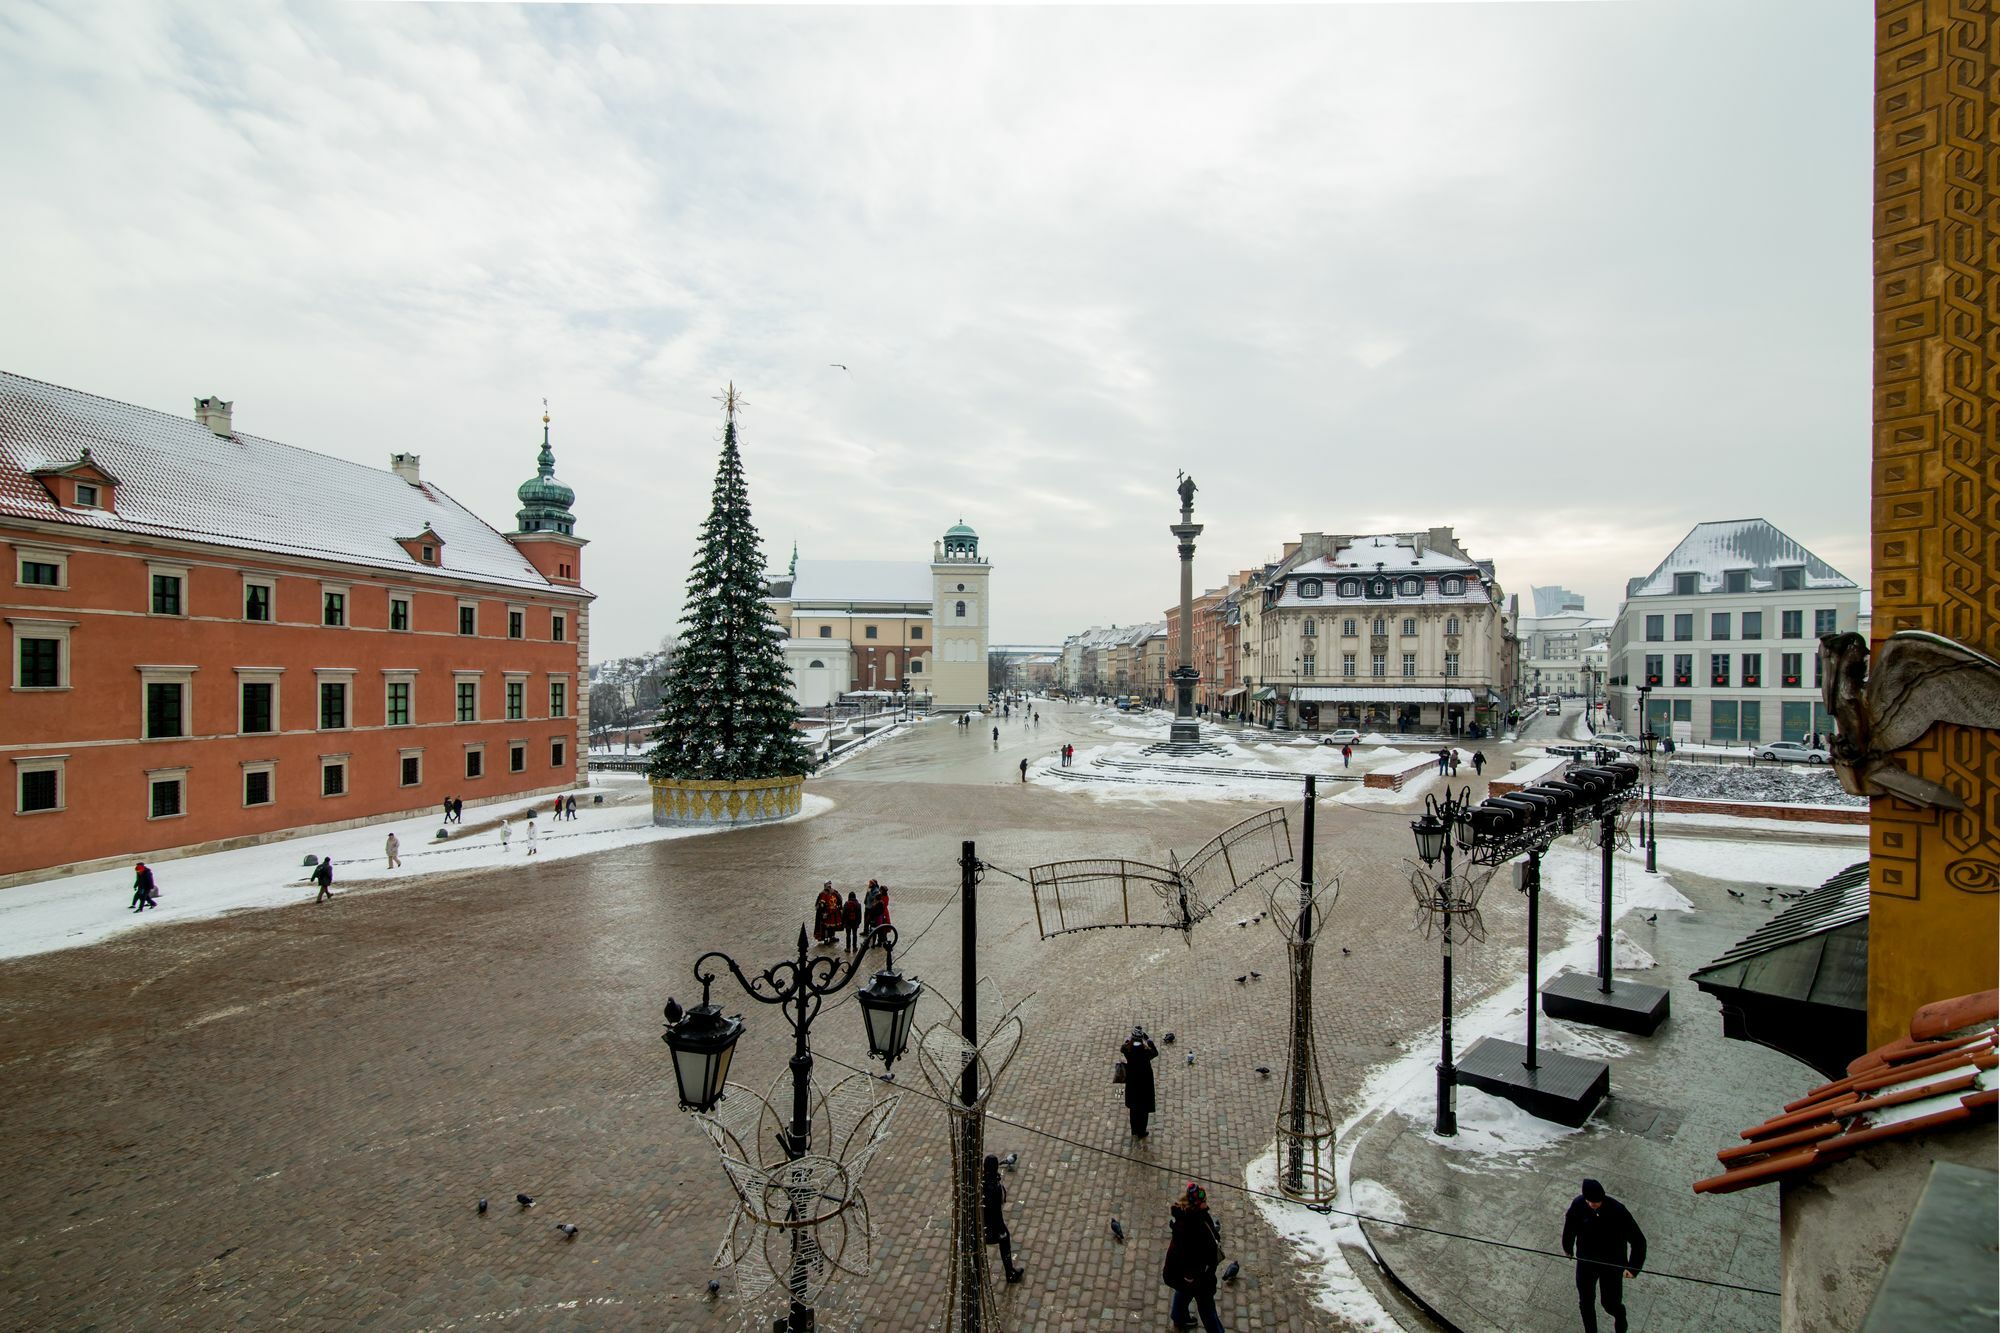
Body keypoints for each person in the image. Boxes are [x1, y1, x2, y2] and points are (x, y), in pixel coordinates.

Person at [1562, 1178, 1646, 1333]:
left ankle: (1620, 1317)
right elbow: (1570, 1226)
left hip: (1611, 1264)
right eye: (1589, 1201)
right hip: (1586, 1262)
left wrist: (1633, 1267)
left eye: (1596, 1201)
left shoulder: (1618, 1210)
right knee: (1585, 1302)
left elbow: (1638, 1240)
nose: (1593, 1204)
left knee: (1610, 1303)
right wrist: (1567, 1247)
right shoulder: (1578, 1205)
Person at [1163, 1182, 1226, 1333]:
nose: (1206, 1203)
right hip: (1197, 1276)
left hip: (1187, 1275)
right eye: (1204, 1202)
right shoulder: (1192, 1226)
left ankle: (1179, 1316)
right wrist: (1191, 1276)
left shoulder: (1192, 1216)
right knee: (1207, 1310)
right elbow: (1189, 1255)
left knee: (1184, 1291)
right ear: (1198, 1204)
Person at [983, 1154, 1025, 1283]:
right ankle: (1010, 1272)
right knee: (1005, 1239)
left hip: (977, 1225)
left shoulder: (980, 1181)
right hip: (990, 1227)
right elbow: (996, 1212)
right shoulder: (994, 1187)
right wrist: (1001, 1230)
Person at [1121, 1026, 1159, 1137]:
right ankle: (1141, 1131)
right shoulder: (1145, 1052)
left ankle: (1134, 1130)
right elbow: (1155, 1053)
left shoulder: (1127, 1049)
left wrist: (1128, 1040)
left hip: (1132, 1081)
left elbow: (1122, 1047)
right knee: (1143, 1109)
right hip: (1144, 1082)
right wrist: (1149, 1040)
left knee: (1133, 1109)